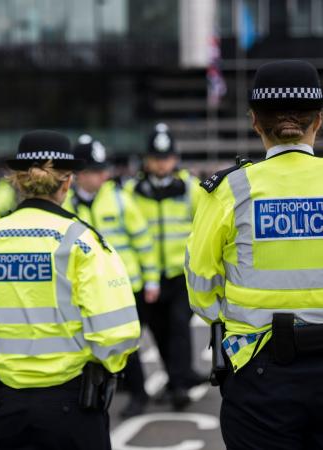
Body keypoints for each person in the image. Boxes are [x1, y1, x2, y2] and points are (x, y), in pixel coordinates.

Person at [0, 130, 141, 450]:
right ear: (68, 182)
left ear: (16, 180)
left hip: (8, 404)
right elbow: (117, 331)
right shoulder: (83, 243)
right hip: (74, 403)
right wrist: (106, 367)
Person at [186, 59, 323, 449]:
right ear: (319, 120)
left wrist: (235, 323)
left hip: (260, 372)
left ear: (255, 121)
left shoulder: (230, 189)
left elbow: (201, 285)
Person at [63, 134, 159, 417]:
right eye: (95, 171)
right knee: (86, 343)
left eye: (103, 169)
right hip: (83, 290)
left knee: (124, 344)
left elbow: (144, 241)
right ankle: (102, 389)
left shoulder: (120, 200)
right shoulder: (66, 205)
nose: (102, 175)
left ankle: (139, 394)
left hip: (125, 286)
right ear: (78, 174)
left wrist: (152, 279)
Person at [125, 124, 205, 409]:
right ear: (147, 159)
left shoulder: (191, 188)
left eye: (167, 157)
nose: (162, 163)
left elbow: (204, 226)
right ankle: (176, 378)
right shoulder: (133, 191)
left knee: (179, 326)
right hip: (150, 277)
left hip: (180, 274)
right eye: (157, 157)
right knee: (159, 332)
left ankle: (180, 385)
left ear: (175, 158)